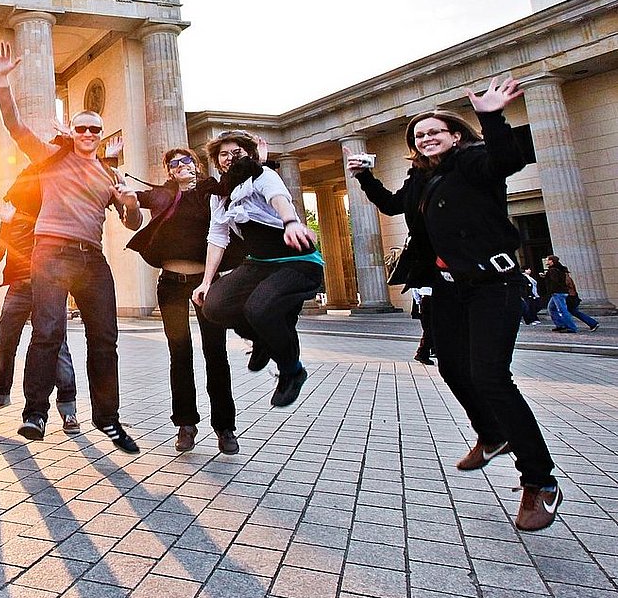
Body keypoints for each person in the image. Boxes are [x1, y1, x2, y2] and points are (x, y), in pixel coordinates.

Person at [346, 77, 563, 531]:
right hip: (447, 288)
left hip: (494, 286)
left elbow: (505, 158)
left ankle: (539, 481)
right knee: (451, 368)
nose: (425, 138)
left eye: (434, 132)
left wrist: (492, 114)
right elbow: (390, 206)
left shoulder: (475, 162)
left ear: (456, 135)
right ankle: (492, 433)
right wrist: (365, 176)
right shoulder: (420, 179)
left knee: (491, 376)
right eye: (419, 135)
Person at [0, 41, 144, 453]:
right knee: (48, 331)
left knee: (105, 338)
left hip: (91, 258)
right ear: (72, 132)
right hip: (51, 252)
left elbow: (133, 222)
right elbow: (15, 126)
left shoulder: (110, 175)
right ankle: (35, 414)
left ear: (100, 133)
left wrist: (128, 200)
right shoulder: (50, 159)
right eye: (82, 128)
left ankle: (107, 419)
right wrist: (3, 82)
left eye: (95, 129)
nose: (89, 134)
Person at [194, 132, 321, 410]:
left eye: (236, 152)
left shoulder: (263, 175)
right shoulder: (221, 196)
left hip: (298, 262)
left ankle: (291, 370)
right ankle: (261, 339)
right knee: (214, 306)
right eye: (223, 154)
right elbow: (217, 238)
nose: (230, 158)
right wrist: (205, 282)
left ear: (249, 155)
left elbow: (279, 198)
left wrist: (290, 223)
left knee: (259, 309)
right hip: (259, 264)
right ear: (217, 162)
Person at [127, 146, 240, 454]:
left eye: (185, 161)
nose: (179, 166)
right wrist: (122, 191)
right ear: (168, 170)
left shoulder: (209, 190)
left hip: (206, 283)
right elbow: (136, 196)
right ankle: (186, 425)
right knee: (180, 353)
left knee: (215, 353)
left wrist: (249, 160)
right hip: (171, 285)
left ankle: (225, 427)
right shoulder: (163, 195)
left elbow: (235, 183)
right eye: (173, 163)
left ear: (195, 164)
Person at [0, 198, 79, 433]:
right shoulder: (13, 219)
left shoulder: (53, 213)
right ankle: (0, 394)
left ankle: (68, 409)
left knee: (58, 346)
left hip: (49, 287)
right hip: (18, 287)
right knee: (5, 339)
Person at [543, 255, 576, 333]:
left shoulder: (553, 270)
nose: (547, 262)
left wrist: (547, 278)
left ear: (552, 261)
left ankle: (571, 327)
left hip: (557, 292)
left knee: (562, 310)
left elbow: (555, 281)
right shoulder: (560, 269)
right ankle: (560, 325)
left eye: (548, 260)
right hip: (560, 291)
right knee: (551, 308)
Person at [410, 286, 435, 365]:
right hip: (429, 299)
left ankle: (425, 352)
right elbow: (414, 287)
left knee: (431, 329)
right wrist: (418, 302)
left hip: (429, 299)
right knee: (430, 329)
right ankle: (422, 353)